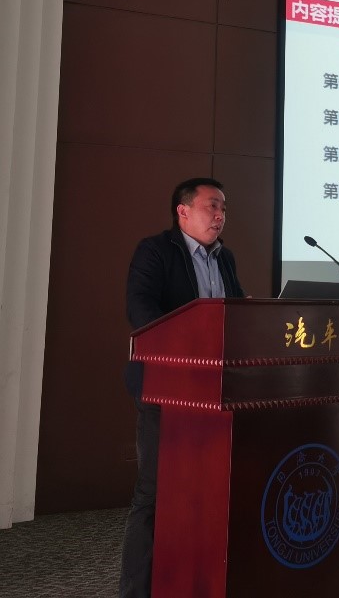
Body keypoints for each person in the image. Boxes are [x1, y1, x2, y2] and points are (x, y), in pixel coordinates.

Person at [119, 177, 245, 598]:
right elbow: (141, 310)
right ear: (183, 211)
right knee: (154, 495)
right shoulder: (155, 251)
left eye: (223, 207)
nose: (220, 214)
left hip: (217, 391)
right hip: (166, 387)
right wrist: (190, 343)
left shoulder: (225, 258)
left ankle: (198, 582)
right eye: (212, 206)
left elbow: (237, 313)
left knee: (210, 494)